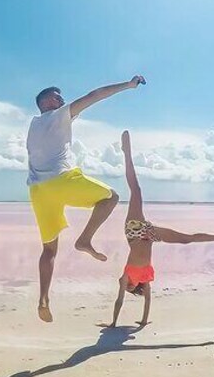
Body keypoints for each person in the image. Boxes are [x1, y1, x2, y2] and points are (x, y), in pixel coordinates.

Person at [28, 76, 146, 323]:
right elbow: (94, 96)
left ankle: (43, 299)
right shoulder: (58, 115)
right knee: (111, 197)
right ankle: (85, 239)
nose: (62, 99)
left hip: (38, 191)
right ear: (48, 101)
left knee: (49, 250)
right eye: (58, 96)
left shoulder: (34, 125)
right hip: (60, 181)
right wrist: (128, 85)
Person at [109, 130, 214, 327]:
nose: (125, 287)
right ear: (135, 287)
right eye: (129, 288)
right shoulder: (145, 276)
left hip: (134, 231)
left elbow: (119, 300)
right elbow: (148, 300)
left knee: (136, 190)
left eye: (126, 287)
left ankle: (126, 152)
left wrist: (113, 323)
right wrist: (142, 322)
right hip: (149, 235)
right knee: (186, 239)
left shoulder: (125, 276)